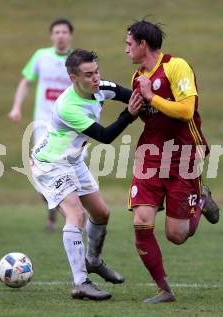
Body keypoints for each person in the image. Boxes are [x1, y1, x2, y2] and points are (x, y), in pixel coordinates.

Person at [31, 49, 143, 300]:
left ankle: (93, 260)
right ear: (73, 78)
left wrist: (153, 100)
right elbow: (105, 136)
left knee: (102, 213)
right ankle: (81, 282)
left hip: (73, 161)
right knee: (76, 214)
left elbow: (133, 96)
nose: (96, 79)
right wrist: (130, 115)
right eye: (88, 75)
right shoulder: (68, 106)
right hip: (50, 164)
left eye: (96, 72)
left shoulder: (100, 87)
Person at [125, 19, 220, 304]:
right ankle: (164, 289)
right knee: (142, 222)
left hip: (184, 156)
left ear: (143, 44)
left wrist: (151, 96)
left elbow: (186, 110)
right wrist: (133, 111)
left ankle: (201, 198)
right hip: (151, 156)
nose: (125, 49)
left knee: (177, 235)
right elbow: (150, 118)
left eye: (129, 44)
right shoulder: (137, 78)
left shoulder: (176, 66)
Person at [9, 18, 74, 230]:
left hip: (69, 127)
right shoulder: (41, 56)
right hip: (43, 126)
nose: (61, 35)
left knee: (69, 173)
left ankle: (71, 218)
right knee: (41, 174)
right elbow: (26, 82)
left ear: (70, 36)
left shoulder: (76, 61)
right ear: (51, 36)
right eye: (57, 32)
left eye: (64, 32)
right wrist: (17, 106)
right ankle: (53, 211)